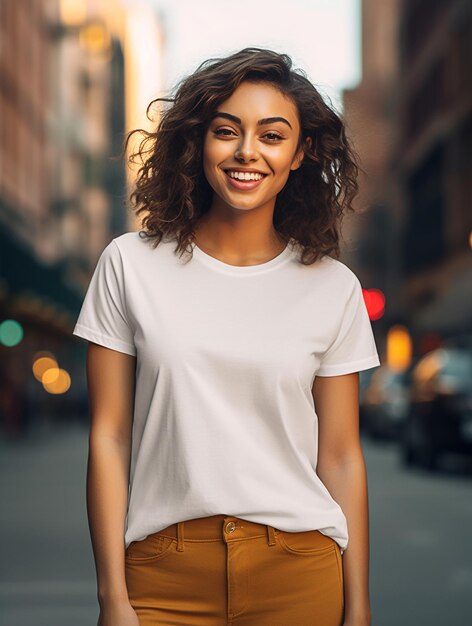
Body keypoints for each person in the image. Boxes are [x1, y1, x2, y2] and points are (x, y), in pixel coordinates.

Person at [73, 47, 381, 626]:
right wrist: (112, 597)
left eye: (272, 135)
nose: (247, 152)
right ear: (198, 142)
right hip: (162, 578)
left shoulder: (333, 287)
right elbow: (109, 436)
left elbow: (340, 457)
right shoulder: (129, 265)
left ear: (299, 153)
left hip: (300, 575)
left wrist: (358, 605)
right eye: (226, 131)